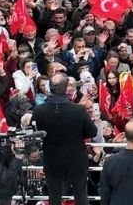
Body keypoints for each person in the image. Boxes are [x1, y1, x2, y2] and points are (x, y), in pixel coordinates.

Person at [32, 74, 98, 205]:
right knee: (80, 194)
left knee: (54, 195)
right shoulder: (78, 110)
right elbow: (92, 131)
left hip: (52, 161)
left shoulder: (39, 110)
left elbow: (36, 132)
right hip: (76, 160)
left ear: (50, 88)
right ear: (66, 88)